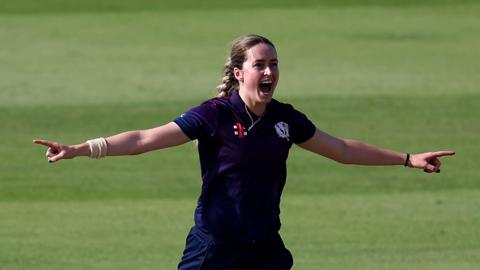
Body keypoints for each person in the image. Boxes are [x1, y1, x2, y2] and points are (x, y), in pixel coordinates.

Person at [33, 34, 455, 270]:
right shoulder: (213, 115)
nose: (269, 71)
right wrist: (80, 149)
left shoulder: (286, 119)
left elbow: (341, 149)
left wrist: (407, 158)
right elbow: (145, 139)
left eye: (274, 63)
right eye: (260, 64)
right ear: (239, 73)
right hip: (213, 248)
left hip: (264, 249)